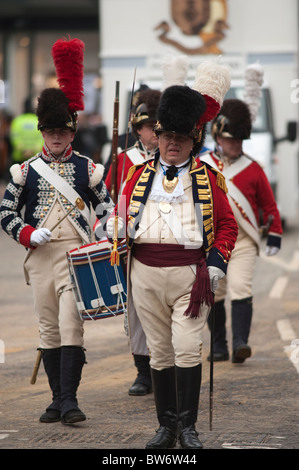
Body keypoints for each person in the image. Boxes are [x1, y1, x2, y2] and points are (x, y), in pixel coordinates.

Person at [106, 62, 238, 449]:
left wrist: (216, 263)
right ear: (157, 137)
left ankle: (189, 427)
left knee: (186, 347)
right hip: (145, 276)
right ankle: (166, 427)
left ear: (193, 139)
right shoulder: (136, 175)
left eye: (181, 137)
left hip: (190, 277)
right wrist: (116, 229)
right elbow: (120, 216)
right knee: (160, 352)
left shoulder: (208, 178)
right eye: (167, 136)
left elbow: (227, 226)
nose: (172, 143)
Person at [0, 37, 113, 425]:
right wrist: (27, 233)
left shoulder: (89, 169)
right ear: (42, 131)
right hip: (41, 256)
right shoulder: (25, 170)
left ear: (73, 129)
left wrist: (106, 224)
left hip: (75, 259)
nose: (57, 138)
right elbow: (5, 212)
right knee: (48, 330)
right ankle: (57, 399)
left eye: (63, 131)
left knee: (70, 327)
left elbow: (106, 208)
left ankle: (70, 401)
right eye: (50, 131)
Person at [201, 96, 283, 363]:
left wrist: (275, 233)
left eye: (239, 141)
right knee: (216, 292)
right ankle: (219, 345)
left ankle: (239, 343)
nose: (236, 145)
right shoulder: (203, 165)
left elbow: (269, 205)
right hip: (213, 241)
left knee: (240, 286)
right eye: (231, 140)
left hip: (244, 240)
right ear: (218, 137)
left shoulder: (253, 168)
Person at [102, 88, 161, 397]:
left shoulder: (171, 158)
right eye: (151, 126)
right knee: (135, 310)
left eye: (159, 126)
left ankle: (164, 368)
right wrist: (110, 226)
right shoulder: (124, 159)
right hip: (132, 245)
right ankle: (143, 371)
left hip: (164, 242)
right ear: (138, 128)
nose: (156, 132)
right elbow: (108, 201)